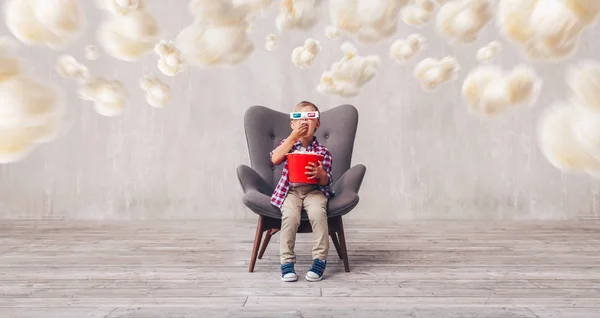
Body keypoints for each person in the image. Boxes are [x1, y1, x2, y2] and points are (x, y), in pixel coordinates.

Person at [269, 101, 334, 282]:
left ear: (317, 124)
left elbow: (327, 179)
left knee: (318, 214)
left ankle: (320, 259)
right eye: (299, 117)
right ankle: (286, 262)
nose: (304, 121)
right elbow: (275, 158)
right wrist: (292, 137)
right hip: (291, 191)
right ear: (292, 124)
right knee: (290, 217)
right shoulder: (288, 145)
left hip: (314, 191)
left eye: (310, 117)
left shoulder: (323, 151)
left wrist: (321, 175)